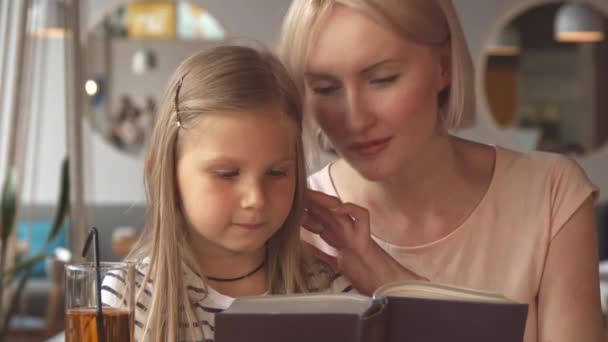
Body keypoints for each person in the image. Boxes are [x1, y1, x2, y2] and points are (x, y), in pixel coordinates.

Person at [277, 1, 604, 341]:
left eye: (382, 79)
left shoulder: (550, 194)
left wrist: (389, 279)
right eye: (326, 89)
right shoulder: (286, 220)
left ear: (443, 66)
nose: (355, 119)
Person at [102, 45, 350, 342]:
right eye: (227, 174)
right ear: (165, 170)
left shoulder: (329, 294)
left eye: (276, 173)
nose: (256, 198)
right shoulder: (127, 298)